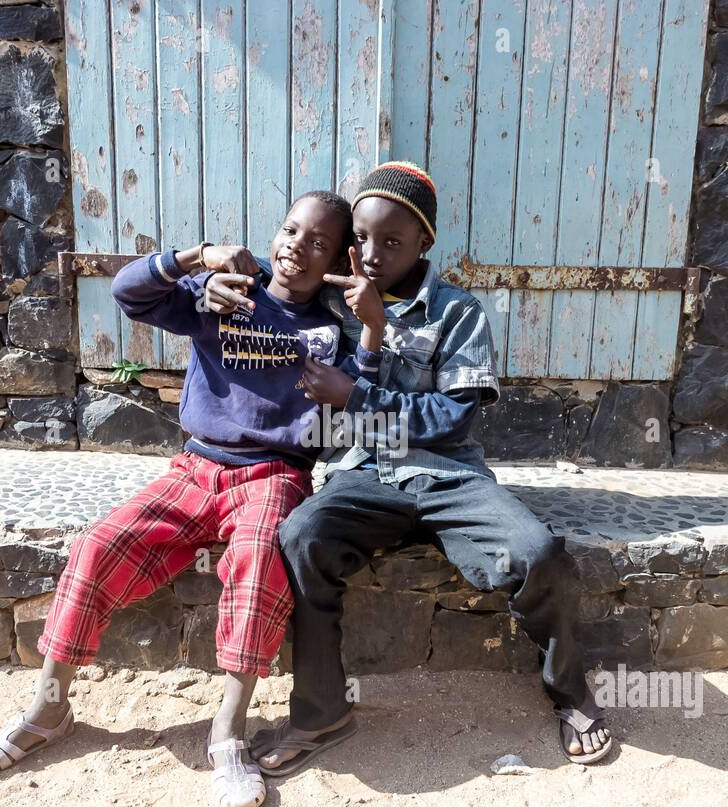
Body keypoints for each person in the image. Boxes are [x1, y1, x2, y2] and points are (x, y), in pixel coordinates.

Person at [0, 191, 358, 807]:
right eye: (290, 230)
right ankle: (48, 709)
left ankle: (228, 730)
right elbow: (128, 293)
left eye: (319, 243)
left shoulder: (332, 331)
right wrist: (196, 261)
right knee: (98, 544)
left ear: (336, 260)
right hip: (196, 465)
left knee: (257, 558)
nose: (297, 248)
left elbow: (365, 394)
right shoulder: (224, 297)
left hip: (275, 475)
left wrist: (369, 335)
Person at [217, 162, 615, 775]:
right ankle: (323, 710)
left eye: (393, 242)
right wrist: (214, 262)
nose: (373, 256)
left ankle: (569, 691)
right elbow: (281, 265)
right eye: (363, 240)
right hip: (364, 474)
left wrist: (359, 398)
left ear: (425, 244)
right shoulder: (331, 294)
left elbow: (451, 419)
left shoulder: (459, 313)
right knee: (302, 537)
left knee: (537, 552)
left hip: (448, 475)